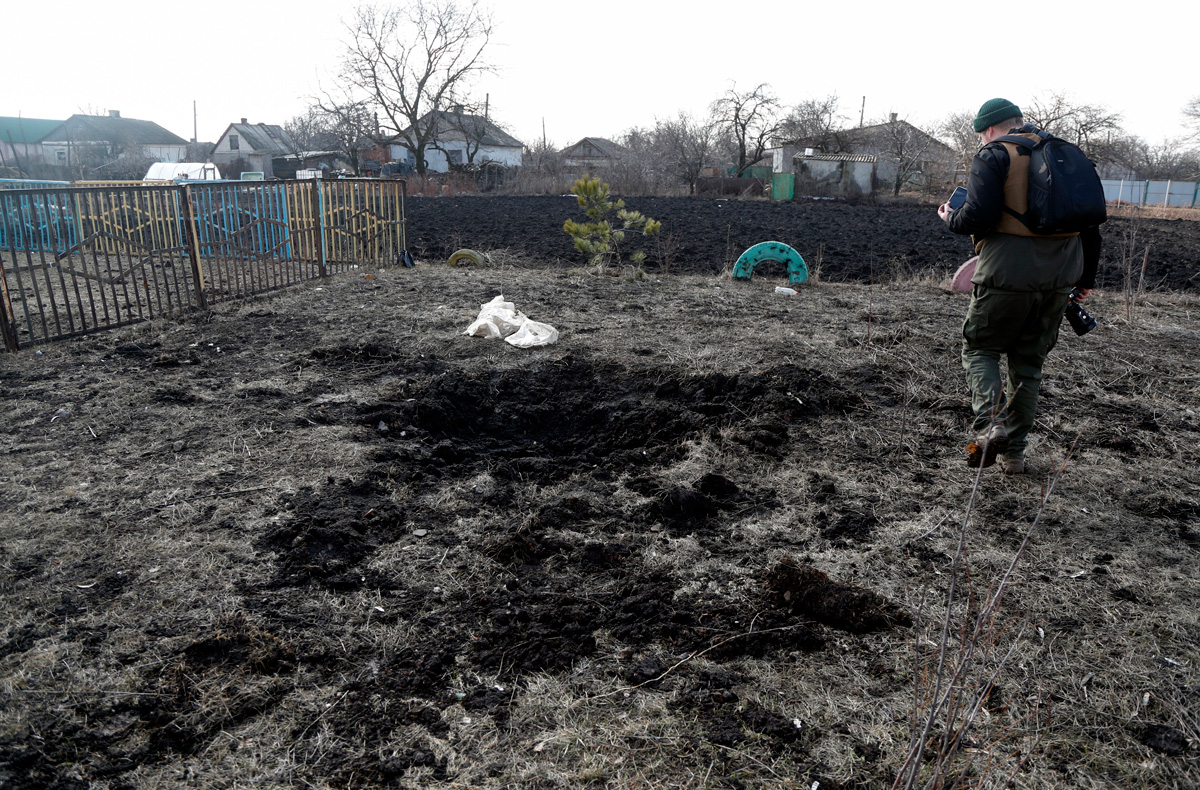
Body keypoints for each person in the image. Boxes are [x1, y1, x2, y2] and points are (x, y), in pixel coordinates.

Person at [938, 98, 1101, 474]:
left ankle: (991, 423)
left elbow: (975, 217)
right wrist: (1084, 280)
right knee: (1028, 366)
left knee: (980, 348)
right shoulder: (1068, 155)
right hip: (1061, 276)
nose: (981, 140)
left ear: (991, 129)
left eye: (981, 134)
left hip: (1006, 275)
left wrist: (950, 217)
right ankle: (1015, 457)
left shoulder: (994, 155)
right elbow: (1091, 225)